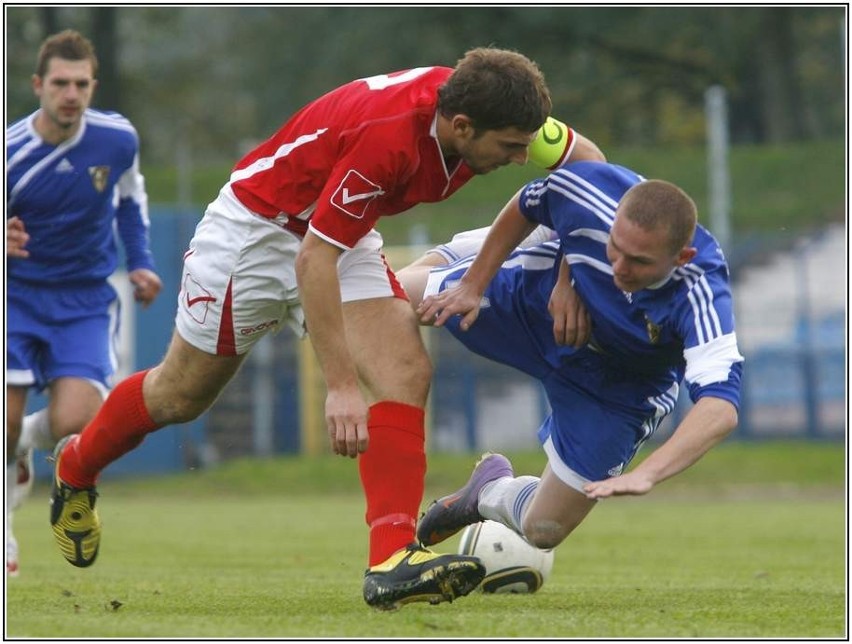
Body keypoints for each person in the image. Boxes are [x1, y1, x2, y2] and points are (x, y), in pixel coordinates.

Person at [47, 46, 604, 609]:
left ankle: (391, 560)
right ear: (462, 126)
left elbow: (589, 164)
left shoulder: (496, 105)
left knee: (404, 369)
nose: (518, 157)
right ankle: (76, 466)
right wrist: (340, 387)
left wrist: (572, 272)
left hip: (339, 231)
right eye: (509, 147)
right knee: (179, 395)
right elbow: (312, 260)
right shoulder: (388, 138)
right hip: (258, 234)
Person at [395, 160, 743, 555]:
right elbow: (530, 205)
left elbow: (720, 408)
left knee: (543, 529)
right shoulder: (591, 192)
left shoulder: (701, 293)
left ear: (682, 257)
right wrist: (489, 283)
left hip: (620, 386)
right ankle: (446, 261)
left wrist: (648, 474)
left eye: (640, 262)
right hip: (538, 305)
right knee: (392, 297)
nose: (619, 268)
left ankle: (488, 491)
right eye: (615, 247)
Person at [6, 29, 162, 577]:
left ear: (93, 85)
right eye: (59, 83)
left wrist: (140, 260)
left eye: (80, 84)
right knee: (3, 417)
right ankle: (4, 531)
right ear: (37, 86)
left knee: (78, 420)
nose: (70, 94)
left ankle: (23, 442)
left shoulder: (117, 139)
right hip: (15, 298)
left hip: (84, 302)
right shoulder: (11, 152)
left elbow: (129, 198)